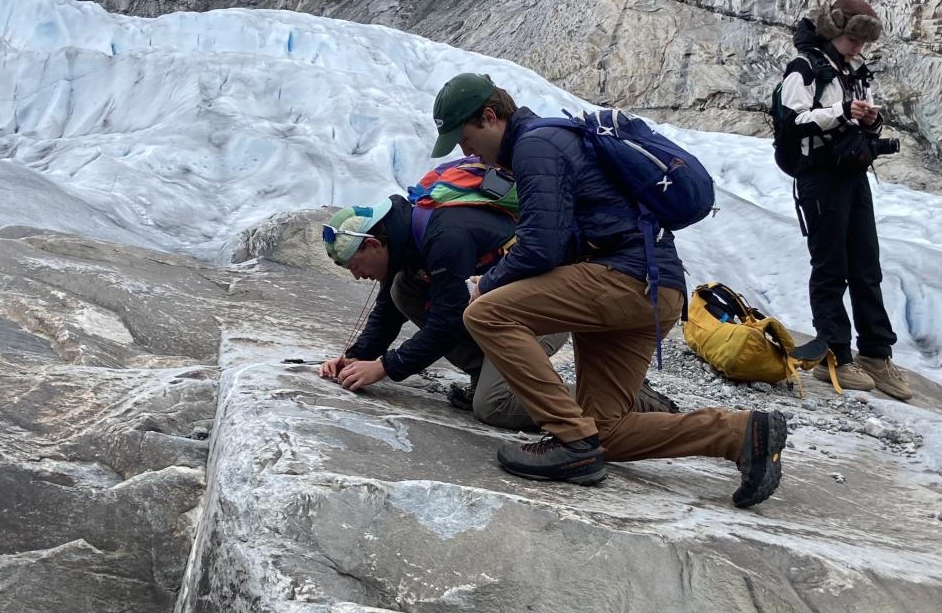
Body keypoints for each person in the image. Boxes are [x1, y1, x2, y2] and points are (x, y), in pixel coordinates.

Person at [436, 73, 787, 507]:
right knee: (607, 432)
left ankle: (570, 441)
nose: (466, 152)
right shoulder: (551, 140)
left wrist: (486, 283)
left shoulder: (535, 145)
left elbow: (541, 247)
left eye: (466, 139)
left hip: (623, 279)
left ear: (490, 117)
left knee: (487, 313)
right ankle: (740, 433)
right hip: (654, 289)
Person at [316, 195, 677, 430]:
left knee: (494, 407)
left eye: (353, 263)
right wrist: (352, 359)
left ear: (374, 244)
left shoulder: (442, 238)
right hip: (497, 313)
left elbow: (445, 322)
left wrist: (384, 367)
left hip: (538, 312)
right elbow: (388, 311)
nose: (356, 274)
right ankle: (487, 374)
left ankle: (629, 401)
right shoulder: (404, 241)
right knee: (401, 290)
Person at [776, 0, 913, 401]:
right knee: (831, 266)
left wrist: (868, 119)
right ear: (834, 31)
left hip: (851, 174)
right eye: (853, 38)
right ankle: (834, 354)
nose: (857, 47)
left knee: (866, 265)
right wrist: (842, 112)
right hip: (820, 177)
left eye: (861, 41)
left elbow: (846, 116)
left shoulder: (854, 70)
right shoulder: (804, 68)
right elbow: (792, 122)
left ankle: (875, 353)